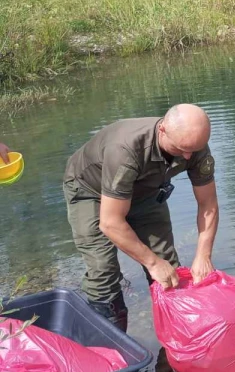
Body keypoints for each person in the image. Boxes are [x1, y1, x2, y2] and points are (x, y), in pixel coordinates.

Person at [63, 104, 220, 331]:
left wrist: (203, 256)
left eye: (193, 150)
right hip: (91, 192)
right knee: (104, 271)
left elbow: (208, 204)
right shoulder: (126, 150)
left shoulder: (194, 145)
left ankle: (177, 340)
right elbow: (110, 222)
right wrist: (152, 262)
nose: (188, 156)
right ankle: (111, 346)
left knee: (169, 267)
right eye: (181, 148)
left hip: (145, 192)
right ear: (163, 130)